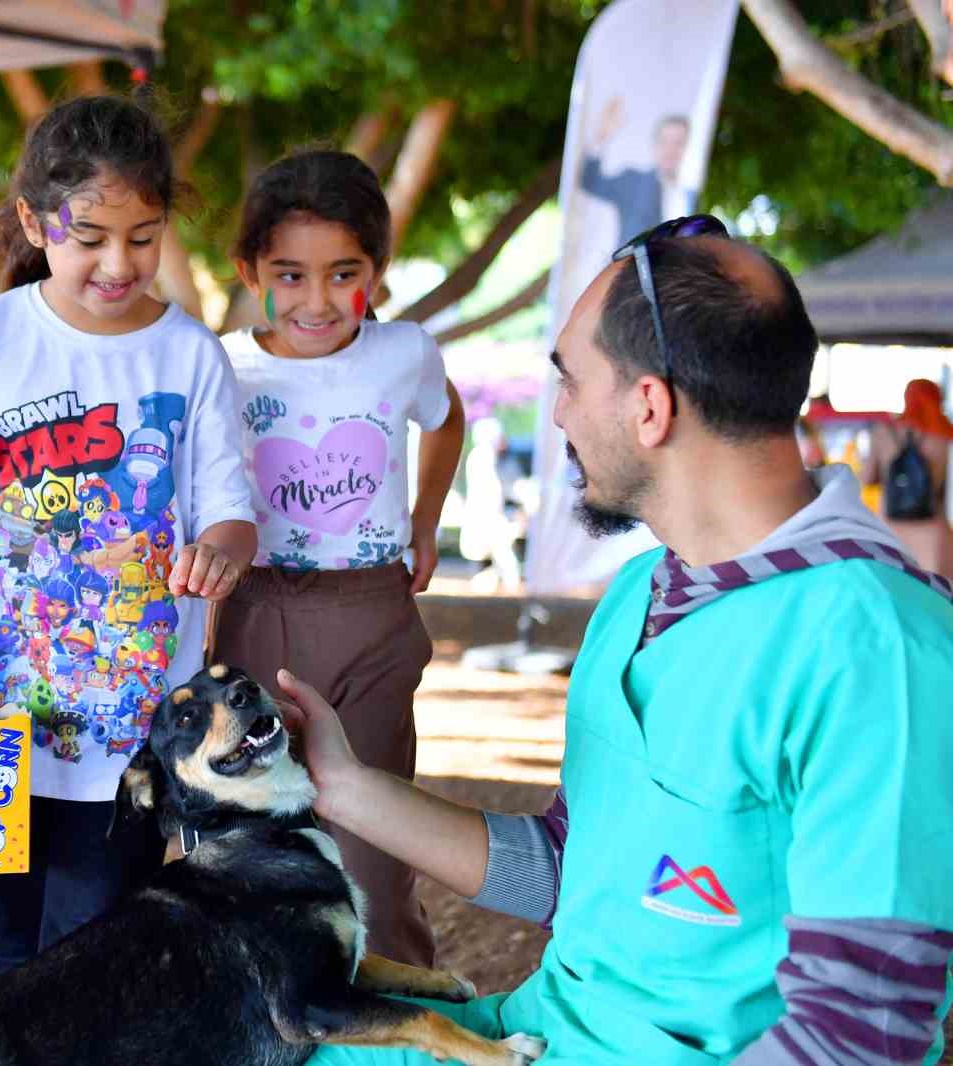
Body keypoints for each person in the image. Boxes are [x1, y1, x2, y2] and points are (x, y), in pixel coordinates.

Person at [279, 219, 953, 1065]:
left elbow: (862, 1036)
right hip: (540, 1031)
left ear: (649, 407)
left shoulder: (878, 645)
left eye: (569, 380)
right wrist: (342, 788)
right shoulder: (642, 591)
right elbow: (574, 877)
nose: (556, 412)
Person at [0, 95, 256, 975]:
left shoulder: (191, 355)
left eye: (143, 235)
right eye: (88, 237)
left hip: (135, 733)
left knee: (90, 950)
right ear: (33, 222)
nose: (118, 263)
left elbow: (230, 513)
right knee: (7, 946)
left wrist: (220, 555)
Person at [213, 149, 465, 967]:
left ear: (378, 272)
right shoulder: (218, 364)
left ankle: (402, 1024)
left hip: (372, 618)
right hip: (250, 615)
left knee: (370, 854)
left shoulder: (405, 353)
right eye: (289, 275)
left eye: (343, 273)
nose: (317, 302)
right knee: (251, 844)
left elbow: (447, 419)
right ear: (250, 270)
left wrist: (425, 521)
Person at [863, 378, 953, 574]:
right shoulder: (944, 437)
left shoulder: (883, 432)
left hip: (890, 528)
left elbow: (867, 478)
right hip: (932, 532)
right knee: (938, 599)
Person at [580, 98, 697, 247]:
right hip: (632, 268)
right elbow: (590, 182)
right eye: (664, 141)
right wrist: (601, 136)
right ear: (655, 144)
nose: (670, 150)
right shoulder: (632, 181)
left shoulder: (689, 195)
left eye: (678, 143)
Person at [460, 416, 523, 593]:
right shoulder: (482, 457)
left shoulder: (491, 457)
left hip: (492, 516)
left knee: (503, 558)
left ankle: (509, 588)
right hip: (486, 516)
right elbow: (491, 491)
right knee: (495, 558)